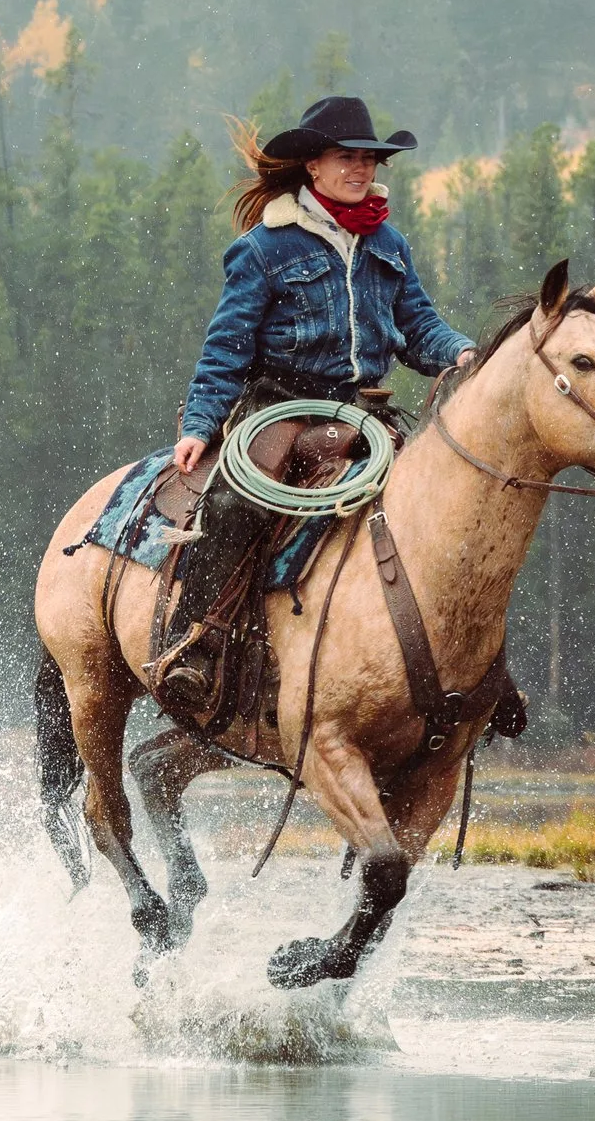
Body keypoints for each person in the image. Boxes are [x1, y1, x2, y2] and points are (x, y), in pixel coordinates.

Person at [146, 93, 475, 728]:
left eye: (369, 159)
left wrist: (460, 355)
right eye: (345, 157)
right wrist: (200, 425)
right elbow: (227, 345)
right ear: (313, 168)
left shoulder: (388, 244)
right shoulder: (264, 248)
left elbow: (419, 327)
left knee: (445, 503)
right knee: (231, 502)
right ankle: (196, 643)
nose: (360, 169)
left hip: (361, 413)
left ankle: (465, 662)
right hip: (279, 407)